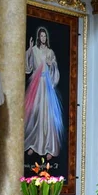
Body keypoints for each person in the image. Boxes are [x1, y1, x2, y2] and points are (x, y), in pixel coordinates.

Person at [24, 27, 63, 161]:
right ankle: (32, 143)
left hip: (46, 86)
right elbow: (28, 68)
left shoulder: (50, 52)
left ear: (46, 38)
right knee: (34, 113)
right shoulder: (34, 50)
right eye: (41, 36)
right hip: (36, 85)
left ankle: (49, 146)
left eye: (44, 36)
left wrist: (51, 65)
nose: (43, 38)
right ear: (38, 37)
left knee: (47, 116)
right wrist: (29, 50)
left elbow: (55, 70)